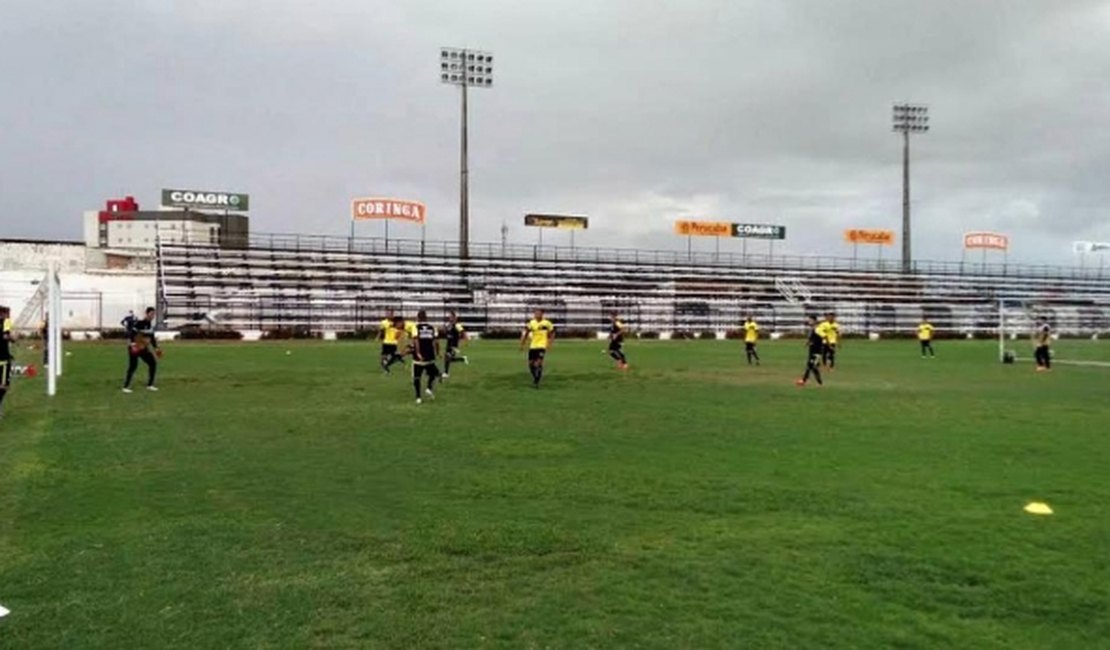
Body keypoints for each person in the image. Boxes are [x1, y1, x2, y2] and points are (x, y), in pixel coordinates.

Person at [123, 307, 162, 393]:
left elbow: (152, 338)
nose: (153, 316)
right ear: (146, 314)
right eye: (151, 314)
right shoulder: (139, 323)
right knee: (133, 366)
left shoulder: (150, 326)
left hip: (143, 348)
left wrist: (156, 348)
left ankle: (150, 385)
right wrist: (133, 344)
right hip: (135, 347)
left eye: (154, 314)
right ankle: (126, 387)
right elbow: (131, 333)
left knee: (152, 363)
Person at [410, 310, 441, 404]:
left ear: (418, 318)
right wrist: (438, 352)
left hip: (418, 357)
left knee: (417, 377)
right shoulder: (432, 327)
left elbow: (416, 341)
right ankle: (429, 388)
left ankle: (418, 397)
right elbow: (436, 342)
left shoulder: (415, 327)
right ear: (426, 317)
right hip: (429, 355)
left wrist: (418, 352)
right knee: (435, 373)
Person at [520, 309, 555, 388]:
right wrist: (522, 344)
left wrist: (549, 343)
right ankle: (535, 377)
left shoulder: (547, 323)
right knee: (530, 364)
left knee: (539, 363)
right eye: (536, 313)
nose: (537, 315)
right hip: (533, 346)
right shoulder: (532, 323)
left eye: (539, 313)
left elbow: (552, 333)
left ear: (542, 314)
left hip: (542, 345)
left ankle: (537, 380)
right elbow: (526, 333)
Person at [795, 315, 825, 387]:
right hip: (812, 350)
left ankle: (815, 382)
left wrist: (819, 345)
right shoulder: (813, 329)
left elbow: (823, 336)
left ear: (814, 321)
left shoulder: (818, 329)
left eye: (810, 320)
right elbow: (812, 338)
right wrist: (808, 342)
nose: (809, 322)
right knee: (811, 366)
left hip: (816, 351)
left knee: (812, 366)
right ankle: (805, 381)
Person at [378, 309, 406, 374]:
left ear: (392, 314)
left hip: (393, 343)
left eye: (390, 314)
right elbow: (381, 331)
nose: (388, 315)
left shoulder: (395, 322)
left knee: (392, 357)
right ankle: (388, 368)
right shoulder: (383, 322)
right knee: (383, 358)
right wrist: (378, 337)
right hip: (386, 342)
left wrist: (398, 335)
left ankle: (388, 368)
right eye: (387, 314)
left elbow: (400, 330)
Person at [442, 311, 468, 378]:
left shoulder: (457, 325)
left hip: (454, 345)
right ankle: (462, 359)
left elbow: (463, 332)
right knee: (449, 359)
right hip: (448, 343)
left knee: (447, 357)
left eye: (451, 317)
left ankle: (446, 373)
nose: (449, 318)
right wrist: (444, 330)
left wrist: (465, 340)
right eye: (449, 317)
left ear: (454, 318)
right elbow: (447, 333)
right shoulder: (449, 325)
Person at [0, 306, 13, 418]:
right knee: (4, 385)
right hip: (3, 359)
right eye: (8, 313)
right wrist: (12, 339)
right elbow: (5, 335)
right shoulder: (6, 322)